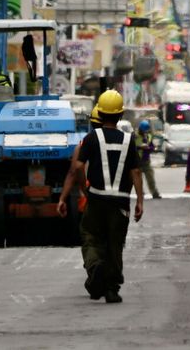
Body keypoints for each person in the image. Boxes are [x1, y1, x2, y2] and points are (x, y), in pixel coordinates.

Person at [58, 89, 144, 304]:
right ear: (120, 115)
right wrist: (140, 201)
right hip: (121, 202)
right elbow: (135, 172)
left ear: (100, 113)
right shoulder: (128, 140)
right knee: (115, 244)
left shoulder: (90, 138)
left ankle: (95, 267)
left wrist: (84, 188)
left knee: (91, 237)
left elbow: (77, 166)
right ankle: (112, 289)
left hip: (96, 199)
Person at [135, 120, 162, 199]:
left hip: (146, 161)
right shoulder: (134, 136)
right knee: (138, 179)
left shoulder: (148, 136)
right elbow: (130, 147)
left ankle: (154, 193)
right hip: (137, 161)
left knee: (150, 178)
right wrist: (140, 147)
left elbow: (151, 146)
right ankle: (140, 194)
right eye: (144, 131)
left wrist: (150, 148)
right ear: (140, 130)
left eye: (146, 131)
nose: (145, 133)